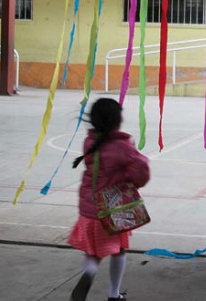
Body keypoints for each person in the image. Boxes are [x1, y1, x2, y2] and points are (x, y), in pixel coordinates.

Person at [68, 98, 151, 301]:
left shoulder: (90, 142)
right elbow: (141, 171)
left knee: (93, 254)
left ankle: (88, 273)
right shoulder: (122, 147)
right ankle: (113, 293)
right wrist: (133, 181)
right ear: (117, 120)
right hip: (114, 211)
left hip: (89, 210)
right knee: (119, 250)